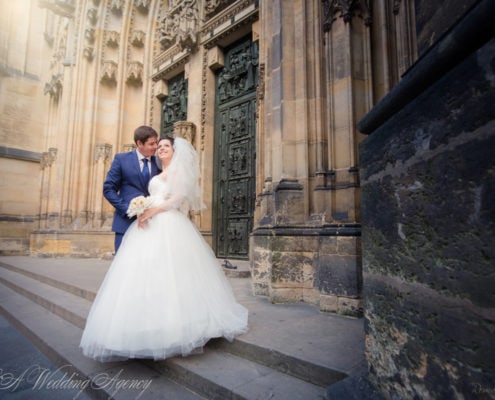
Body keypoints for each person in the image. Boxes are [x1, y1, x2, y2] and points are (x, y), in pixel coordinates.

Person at [80, 136, 249, 361]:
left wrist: (151, 211)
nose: (160, 149)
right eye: (158, 146)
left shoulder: (177, 172)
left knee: (174, 272)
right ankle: (146, 323)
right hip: (148, 225)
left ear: (174, 150)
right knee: (148, 273)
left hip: (169, 224)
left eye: (165, 146)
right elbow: (154, 195)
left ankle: (180, 324)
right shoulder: (156, 175)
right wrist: (143, 207)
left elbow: (177, 199)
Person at [103, 125, 160, 253]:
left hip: (152, 225)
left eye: (156, 142)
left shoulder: (159, 162)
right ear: (139, 143)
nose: (156, 147)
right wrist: (128, 209)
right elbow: (108, 189)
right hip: (125, 224)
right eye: (152, 144)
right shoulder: (121, 160)